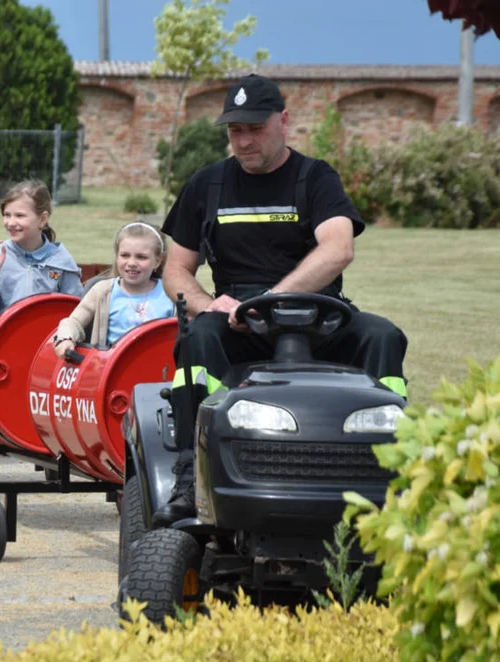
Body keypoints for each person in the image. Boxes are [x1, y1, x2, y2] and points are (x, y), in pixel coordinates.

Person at [152, 73, 409, 527]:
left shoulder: (315, 178)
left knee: (383, 336)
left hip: (320, 317)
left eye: (255, 128)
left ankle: (390, 472)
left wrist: (271, 299)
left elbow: (338, 248)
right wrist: (206, 303)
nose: (245, 140)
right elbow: (175, 270)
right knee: (197, 341)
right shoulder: (207, 186)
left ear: (284, 121)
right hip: (235, 325)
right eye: (236, 131)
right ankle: (191, 477)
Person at [52, 221, 174, 357]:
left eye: (141, 257)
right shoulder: (102, 291)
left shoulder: (171, 293)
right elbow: (74, 322)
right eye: (125, 255)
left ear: (157, 261)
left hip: (160, 370)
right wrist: (66, 338)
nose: (132, 263)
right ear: (117, 256)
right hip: (111, 370)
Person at [0, 180, 84, 320]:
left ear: (42, 219)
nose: (10, 223)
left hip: (46, 339)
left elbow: (76, 315)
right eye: (7, 215)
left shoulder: (61, 261)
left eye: (19, 216)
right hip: (2, 338)